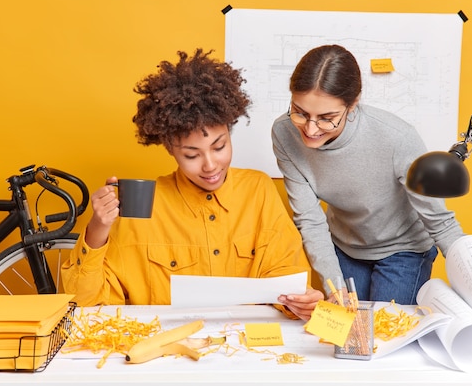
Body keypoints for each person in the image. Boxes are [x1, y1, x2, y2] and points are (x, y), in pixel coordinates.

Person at [61, 49, 323, 320]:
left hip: (246, 349)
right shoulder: (140, 206)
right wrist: (98, 229)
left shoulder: (258, 190)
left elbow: (286, 279)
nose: (210, 165)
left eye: (219, 146)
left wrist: (300, 301)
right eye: (191, 155)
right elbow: (88, 308)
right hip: (168, 352)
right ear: (170, 149)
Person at [271, 44, 465, 305]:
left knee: (388, 335)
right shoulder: (284, 133)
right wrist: (334, 288)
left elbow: (439, 221)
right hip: (345, 246)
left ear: (353, 104)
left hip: (404, 248)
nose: (311, 129)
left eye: (327, 117)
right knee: (349, 335)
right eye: (300, 112)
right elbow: (310, 220)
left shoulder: (397, 137)